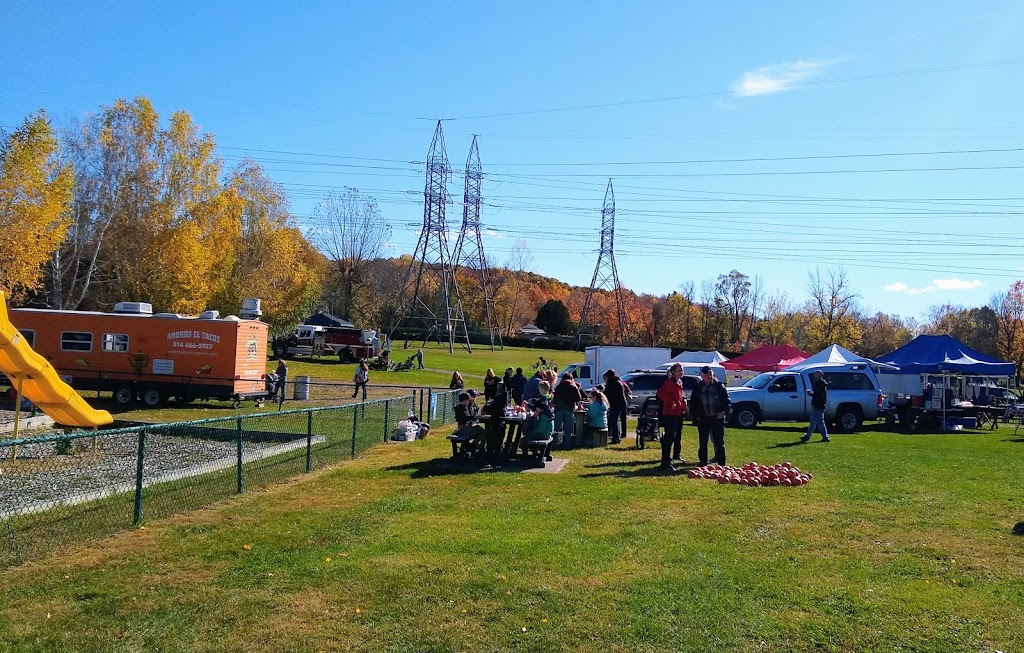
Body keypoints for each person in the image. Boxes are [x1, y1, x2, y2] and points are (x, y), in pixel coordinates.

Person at [689, 365, 731, 466]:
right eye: (706, 374)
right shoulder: (699, 387)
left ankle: (721, 463)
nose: (709, 376)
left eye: (710, 374)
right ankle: (703, 461)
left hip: (717, 418)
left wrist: (723, 412)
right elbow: (693, 403)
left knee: (719, 442)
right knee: (703, 442)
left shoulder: (719, 386)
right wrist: (696, 416)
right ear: (702, 376)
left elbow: (727, 401)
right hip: (703, 418)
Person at [656, 363, 687, 471]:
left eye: (682, 370)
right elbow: (661, 393)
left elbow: (678, 397)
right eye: (679, 370)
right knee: (669, 438)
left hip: (677, 413)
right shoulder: (670, 382)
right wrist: (671, 403)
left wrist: (683, 404)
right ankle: (665, 462)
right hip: (670, 414)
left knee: (673, 437)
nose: (681, 372)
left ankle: (668, 460)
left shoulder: (679, 382)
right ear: (673, 372)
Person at [553, 373, 583, 449]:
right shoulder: (573, 387)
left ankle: (555, 445)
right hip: (569, 409)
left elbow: (555, 399)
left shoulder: (559, 387)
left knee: (557, 428)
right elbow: (578, 398)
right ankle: (567, 445)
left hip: (559, 409)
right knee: (568, 429)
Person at [481, 380, 509, 458]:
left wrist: (487, 405)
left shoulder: (499, 398)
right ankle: (498, 456)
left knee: (492, 441)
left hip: (494, 422)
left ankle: (491, 457)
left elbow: (487, 409)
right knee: (498, 441)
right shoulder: (504, 396)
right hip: (500, 422)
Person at [801, 370, 830, 443]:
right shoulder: (820, 384)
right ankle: (807, 436)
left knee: (820, 422)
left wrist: (811, 394)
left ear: (819, 376)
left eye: (815, 375)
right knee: (813, 421)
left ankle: (825, 437)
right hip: (818, 404)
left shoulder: (821, 384)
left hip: (819, 405)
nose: (814, 376)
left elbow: (819, 396)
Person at [603, 369, 631, 444]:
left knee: (614, 421)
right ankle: (617, 437)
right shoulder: (618, 382)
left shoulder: (612, 383)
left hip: (616, 404)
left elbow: (607, 393)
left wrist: (602, 395)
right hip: (621, 403)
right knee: (616, 421)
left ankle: (616, 438)